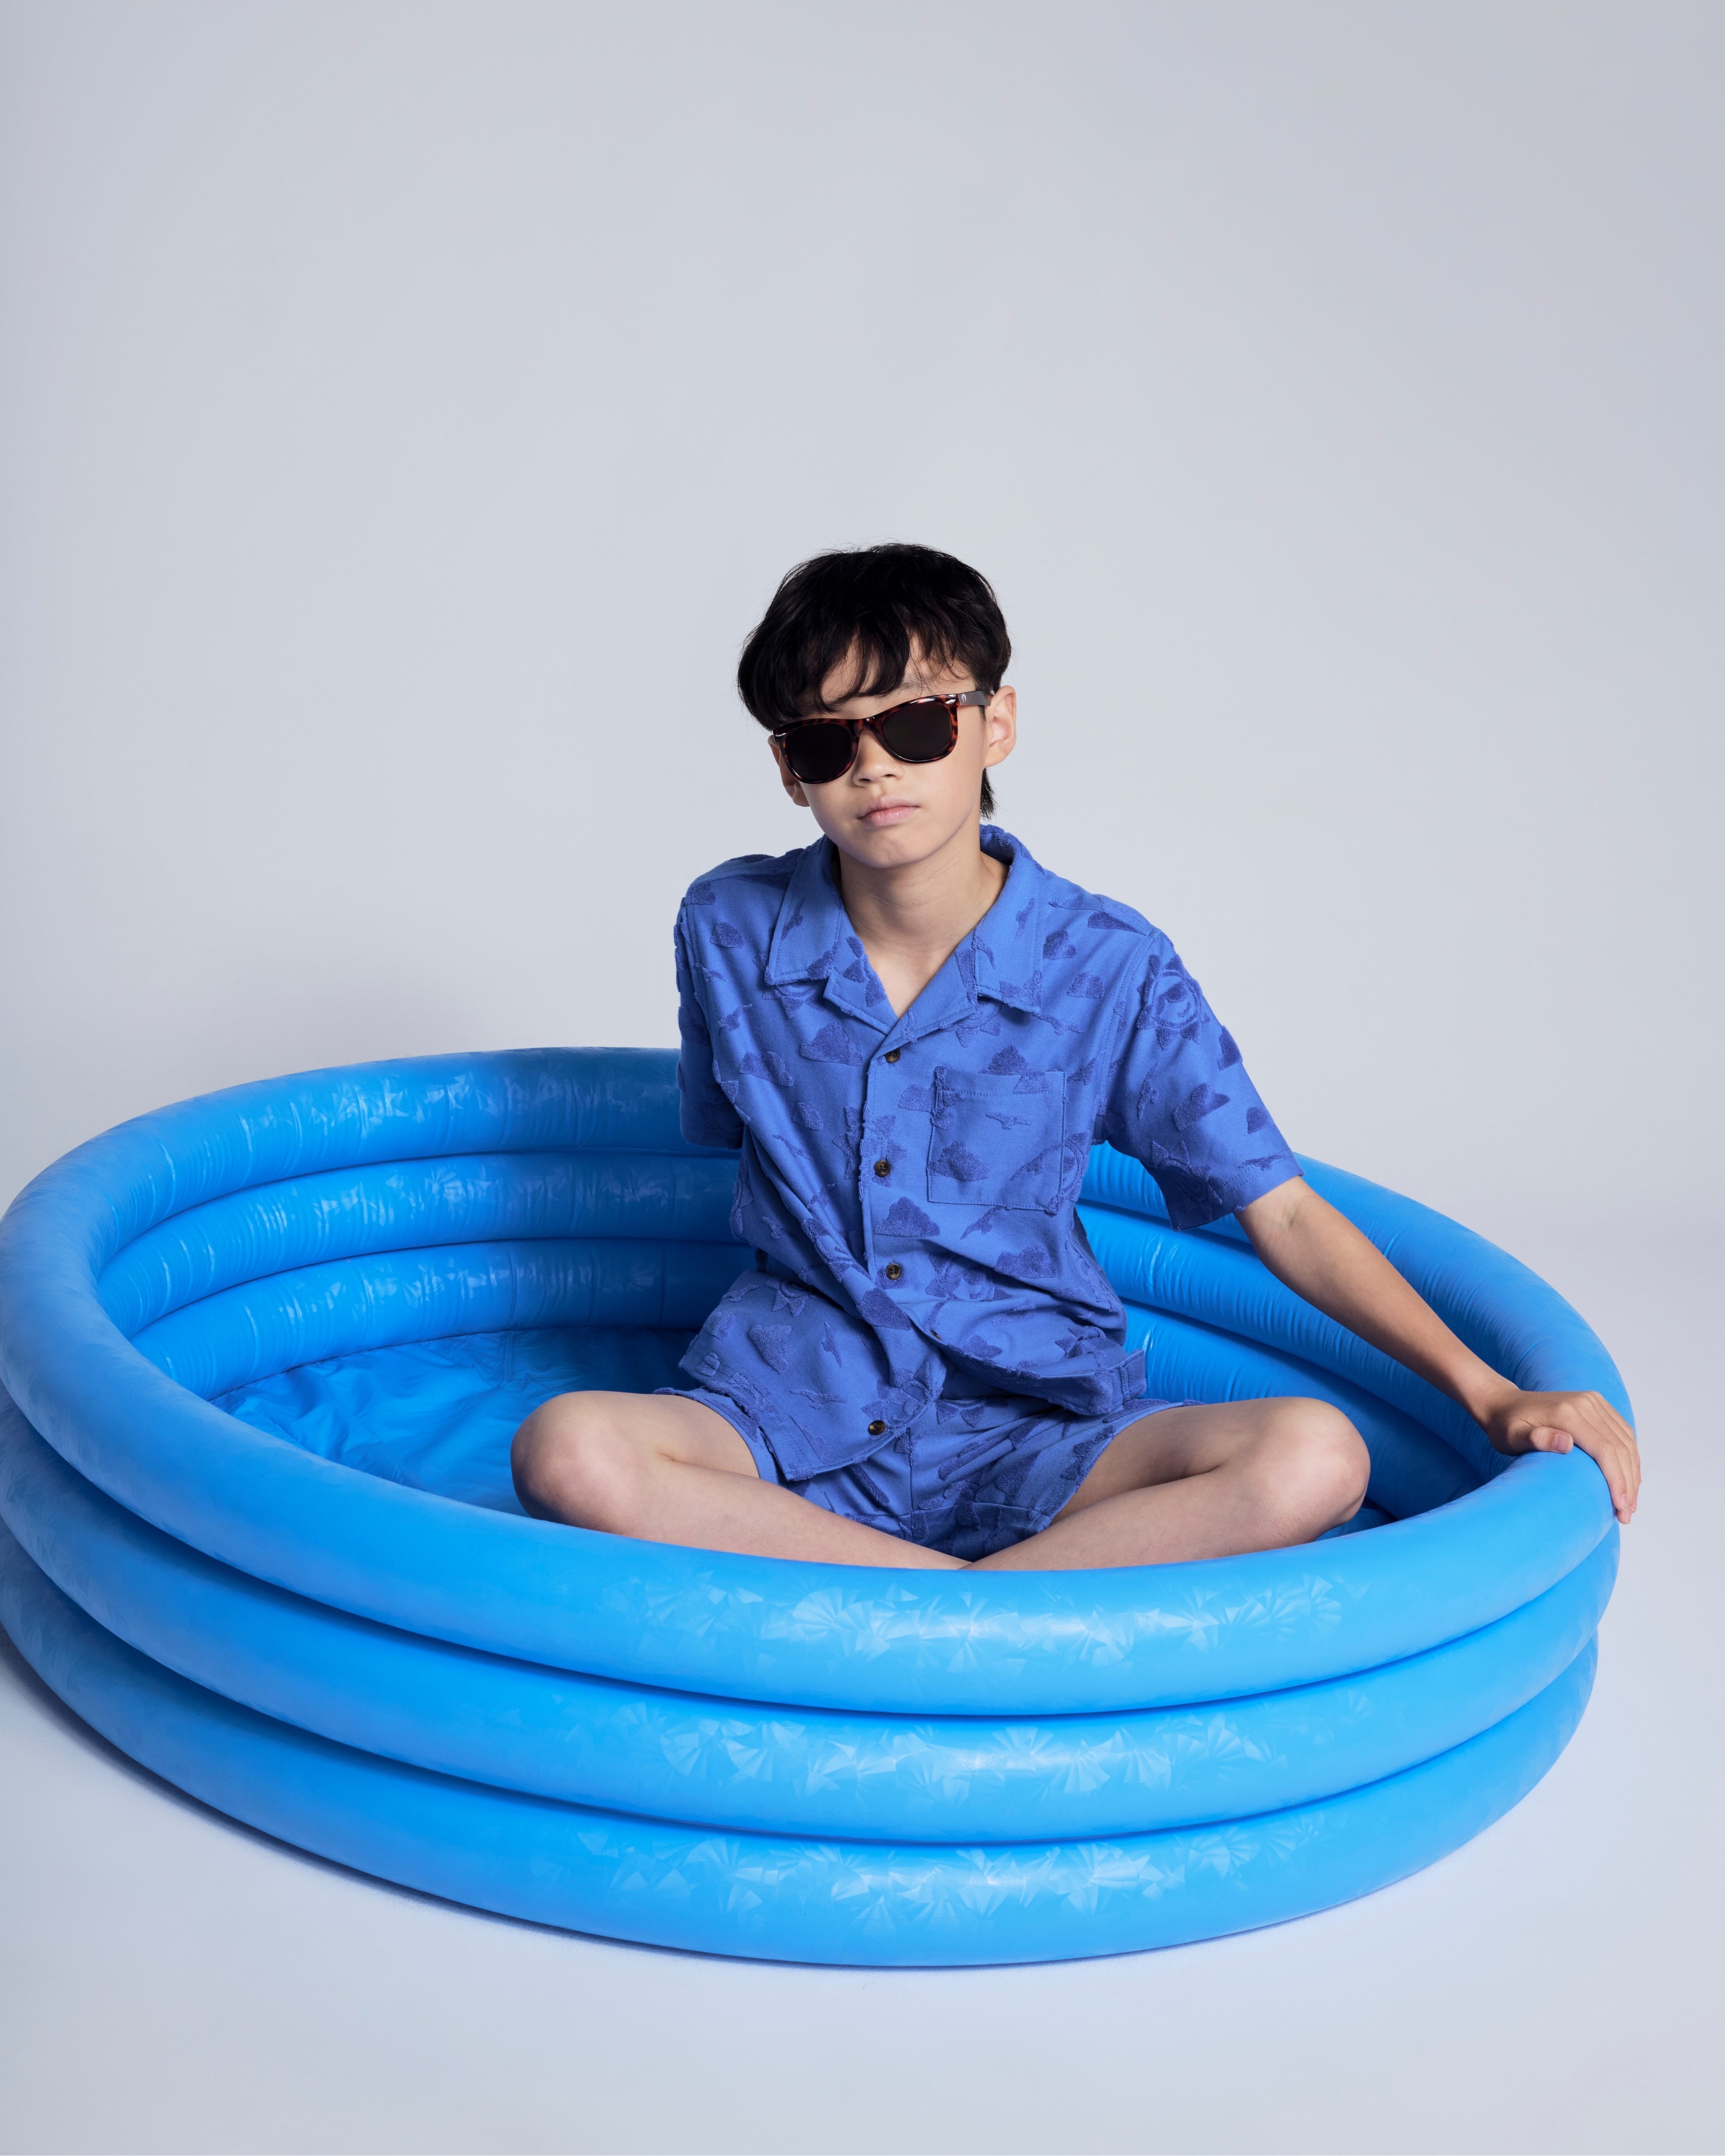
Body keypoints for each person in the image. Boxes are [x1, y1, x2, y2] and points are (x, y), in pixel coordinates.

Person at [513, 544, 1639, 1571]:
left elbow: (1284, 1211)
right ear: (787, 768)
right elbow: (726, 1132)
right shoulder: (727, 928)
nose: (874, 768)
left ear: (995, 724)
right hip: (786, 1412)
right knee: (569, 1449)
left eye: (915, 724)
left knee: (1316, 1455)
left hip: (1038, 1432)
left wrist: (1491, 1395)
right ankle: (983, 1612)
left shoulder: (1109, 966)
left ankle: (912, 1607)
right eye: (827, 740)